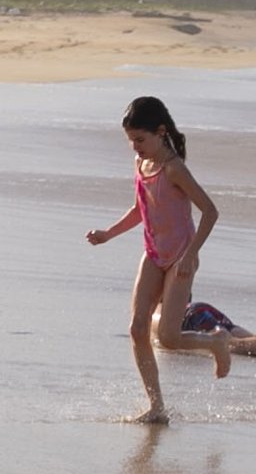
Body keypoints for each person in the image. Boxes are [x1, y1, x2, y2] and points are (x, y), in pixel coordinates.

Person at [86, 96, 230, 423]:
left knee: (168, 337)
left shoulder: (174, 169)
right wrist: (109, 233)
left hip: (180, 258)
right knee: (138, 329)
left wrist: (192, 254)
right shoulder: (142, 165)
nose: (135, 147)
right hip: (153, 254)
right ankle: (156, 407)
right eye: (131, 141)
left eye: (140, 139)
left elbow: (210, 211)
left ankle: (216, 342)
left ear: (160, 132)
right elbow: (141, 209)